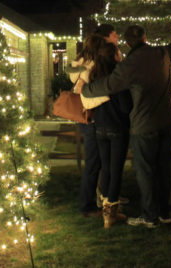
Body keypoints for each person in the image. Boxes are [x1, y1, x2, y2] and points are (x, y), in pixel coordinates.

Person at [81, 22, 171, 228]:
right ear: (145, 38)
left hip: (144, 125)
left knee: (145, 170)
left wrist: (86, 90)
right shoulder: (162, 53)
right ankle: (165, 212)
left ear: (128, 43)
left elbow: (108, 84)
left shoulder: (129, 65)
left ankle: (149, 216)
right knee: (164, 168)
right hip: (167, 122)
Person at [87, 41, 132, 228]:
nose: (121, 55)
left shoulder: (95, 77)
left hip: (100, 127)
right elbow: (126, 106)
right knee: (116, 170)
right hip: (117, 127)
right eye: (118, 52)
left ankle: (105, 206)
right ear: (114, 57)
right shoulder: (117, 78)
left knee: (105, 168)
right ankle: (111, 213)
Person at [68, 34, 106, 217]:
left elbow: (73, 80)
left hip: (82, 117)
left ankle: (93, 201)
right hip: (91, 115)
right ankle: (87, 205)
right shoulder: (93, 65)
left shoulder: (78, 63)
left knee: (93, 160)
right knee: (93, 162)